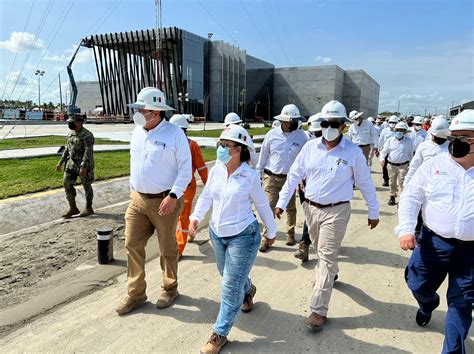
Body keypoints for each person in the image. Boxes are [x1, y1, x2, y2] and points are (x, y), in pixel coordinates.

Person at [275, 100, 380, 331]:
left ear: (343, 126)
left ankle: (318, 309)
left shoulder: (352, 152)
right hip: (310, 208)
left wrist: (373, 210)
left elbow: (365, 183)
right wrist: (281, 203)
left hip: (337, 210)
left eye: (334, 123)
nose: (329, 127)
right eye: (325, 123)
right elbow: (294, 176)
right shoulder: (310, 148)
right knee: (320, 250)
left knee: (326, 257)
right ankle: (331, 272)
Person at [188, 125, 277, 354]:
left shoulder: (249, 176)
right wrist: (195, 218)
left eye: (227, 146)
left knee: (229, 285)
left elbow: (261, 204)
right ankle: (248, 289)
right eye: (221, 144)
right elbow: (207, 196)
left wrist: (272, 230)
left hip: (243, 236)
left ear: (240, 150)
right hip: (217, 234)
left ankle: (219, 334)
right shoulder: (217, 169)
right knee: (228, 274)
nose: (222, 149)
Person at [397, 109, 474, 354]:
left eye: (465, 137)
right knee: (418, 284)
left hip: (470, 252)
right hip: (433, 243)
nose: (457, 142)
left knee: (462, 304)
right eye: (454, 137)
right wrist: (407, 230)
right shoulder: (434, 165)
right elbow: (411, 197)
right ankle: (428, 304)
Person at [115, 87, 192, 316]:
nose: (137, 112)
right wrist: (133, 189)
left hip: (165, 201)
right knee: (131, 244)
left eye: (142, 109)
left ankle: (170, 288)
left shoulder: (175, 134)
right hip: (138, 200)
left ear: (156, 112)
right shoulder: (138, 131)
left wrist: (173, 195)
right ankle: (136, 294)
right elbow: (134, 162)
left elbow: (185, 170)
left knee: (167, 247)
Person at [256, 103, 308, 252]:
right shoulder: (271, 135)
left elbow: (304, 159)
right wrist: (258, 175)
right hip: (271, 177)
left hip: (290, 179)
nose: (294, 124)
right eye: (291, 121)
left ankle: (290, 234)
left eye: (295, 121)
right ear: (283, 121)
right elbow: (263, 156)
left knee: (290, 207)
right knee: (269, 207)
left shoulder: (301, 136)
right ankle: (267, 238)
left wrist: (302, 179)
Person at [169, 114, 208, 257]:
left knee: (183, 217)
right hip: (169, 187)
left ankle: (179, 249)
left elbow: (201, 168)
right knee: (173, 218)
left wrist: (208, 187)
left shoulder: (192, 145)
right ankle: (190, 231)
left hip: (186, 187)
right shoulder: (168, 144)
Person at [294, 113, 322, 262]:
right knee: (309, 215)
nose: (316, 135)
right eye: (314, 132)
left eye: (319, 132)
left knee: (318, 219)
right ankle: (305, 244)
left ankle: (323, 256)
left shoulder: (340, 146)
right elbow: (299, 165)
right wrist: (299, 180)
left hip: (328, 194)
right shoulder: (306, 141)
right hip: (307, 187)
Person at [56, 113, 95, 218]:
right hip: (71, 164)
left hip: (84, 164)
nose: (69, 123)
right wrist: (60, 162)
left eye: (71, 122)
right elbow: (67, 149)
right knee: (66, 183)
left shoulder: (87, 135)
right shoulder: (70, 134)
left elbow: (88, 152)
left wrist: (83, 166)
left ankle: (89, 208)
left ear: (79, 122)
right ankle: (73, 208)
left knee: (86, 186)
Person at [404, 116, 450, 187]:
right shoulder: (423, 146)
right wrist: (406, 184)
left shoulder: (452, 147)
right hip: (425, 184)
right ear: (431, 133)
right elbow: (414, 166)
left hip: (444, 186)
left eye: (443, 136)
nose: (440, 139)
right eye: (438, 136)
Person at [380, 122, 413, 206]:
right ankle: (392, 196)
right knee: (392, 182)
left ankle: (402, 198)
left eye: (401, 130)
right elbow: (384, 151)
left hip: (403, 165)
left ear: (405, 132)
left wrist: (411, 164)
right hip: (391, 165)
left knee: (402, 182)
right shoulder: (390, 140)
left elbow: (410, 154)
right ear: (395, 130)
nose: (399, 132)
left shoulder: (408, 141)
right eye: (397, 130)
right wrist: (382, 159)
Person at [375, 115, 399, 186]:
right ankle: (386, 180)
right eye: (391, 122)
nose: (392, 124)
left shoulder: (399, 131)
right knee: (384, 166)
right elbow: (381, 140)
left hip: (395, 151)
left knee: (393, 167)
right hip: (386, 151)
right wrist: (378, 149)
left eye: (394, 122)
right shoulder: (384, 131)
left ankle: (393, 180)